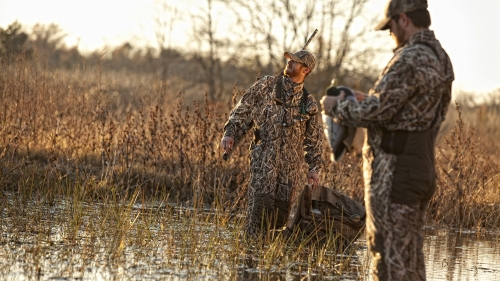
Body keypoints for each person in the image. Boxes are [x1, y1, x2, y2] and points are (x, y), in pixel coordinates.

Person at [320, 0, 454, 280]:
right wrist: (370, 99)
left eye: (390, 27)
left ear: (403, 19)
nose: (390, 34)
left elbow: (378, 112)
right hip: (419, 168)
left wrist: (335, 107)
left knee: (389, 261)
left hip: (395, 174)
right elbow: (417, 114)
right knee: (409, 261)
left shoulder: (409, 57)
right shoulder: (440, 56)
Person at [221, 50, 323, 237]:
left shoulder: (308, 103)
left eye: (296, 62)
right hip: (263, 160)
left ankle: (270, 262)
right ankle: (249, 257)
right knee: (259, 212)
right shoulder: (267, 85)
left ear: (306, 70)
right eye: (290, 60)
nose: (290, 63)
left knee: (279, 219)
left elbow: (314, 140)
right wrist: (230, 133)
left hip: (289, 170)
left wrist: (314, 168)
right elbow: (243, 109)